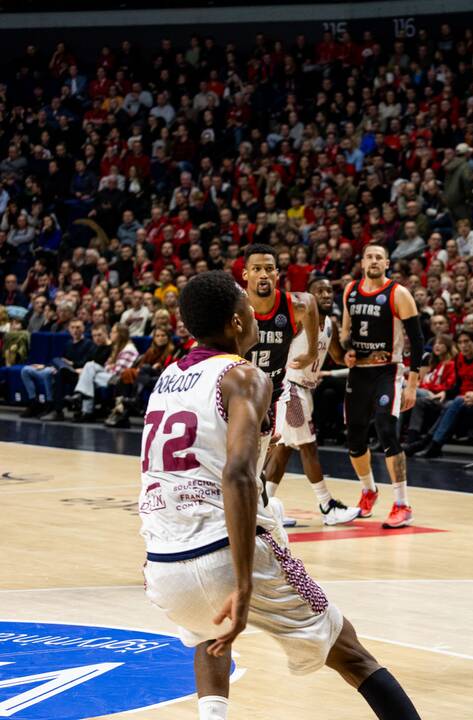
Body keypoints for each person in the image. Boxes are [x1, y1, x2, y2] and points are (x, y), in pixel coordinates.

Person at [139, 271, 420, 720]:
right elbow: (237, 475)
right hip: (224, 550)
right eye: (247, 308)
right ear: (235, 322)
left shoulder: (167, 376)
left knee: (208, 638)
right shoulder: (243, 376)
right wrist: (245, 583)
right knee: (350, 651)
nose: (255, 313)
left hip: (162, 563)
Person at [260, 277, 359, 526]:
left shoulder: (330, 325)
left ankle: (264, 508)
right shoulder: (299, 319)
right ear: (309, 297)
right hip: (290, 389)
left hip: (306, 390)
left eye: (329, 290)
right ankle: (327, 507)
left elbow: (337, 354)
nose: (326, 294)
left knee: (283, 450)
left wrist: (352, 352)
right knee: (308, 446)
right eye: (320, 291)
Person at [340, 244, 424, 527]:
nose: (374, 261)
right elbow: (345, 333)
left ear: (387, 263)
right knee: (354, 439)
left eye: (379, 257)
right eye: (369, 257)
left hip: (388, 371)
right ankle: (368, 490)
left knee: (387, 431)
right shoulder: (350, 290)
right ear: (362, 262)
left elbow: (419, 341)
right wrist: (347, 350)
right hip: (359, 372)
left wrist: (412, 385)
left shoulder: (398, 293)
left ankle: (402, 503)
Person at [242, 243, 319, 527]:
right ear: (245, 274)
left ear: (277, 274)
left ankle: (260, 512)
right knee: (241, 459)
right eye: (257, 269)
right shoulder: (238, 308)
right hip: (239, 394)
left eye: (269, 269)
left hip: (273, 393)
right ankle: (255, 511)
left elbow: (311, 304)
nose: (263, 275)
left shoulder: (293, 304)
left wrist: (311, 351)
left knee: (261, 457)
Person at [20, 317, 92, 418]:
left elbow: (86, 363)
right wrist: (45, 366)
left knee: (56, 372)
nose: (75, 330)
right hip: (63, 369)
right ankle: (34, 403)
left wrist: (72, 364)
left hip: (75, 372)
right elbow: (61, 360)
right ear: (69, 329)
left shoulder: (88, 343)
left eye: (78, 327)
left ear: (83, 329)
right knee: (27, 370)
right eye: (73, 327)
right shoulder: (68, 344)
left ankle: (54, 408)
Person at [67, 323, 138, 420]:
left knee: (88, 369)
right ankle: (86, 411)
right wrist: (110, 366)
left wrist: (110, 366)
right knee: (89, 374)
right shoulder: (117, 347)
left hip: (118, 380)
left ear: (121, 334)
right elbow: (107, 365)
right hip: (109, 376)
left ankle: (82, 400)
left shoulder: (128, 349)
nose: (111, 334)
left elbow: (118, 371)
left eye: (113, 332)